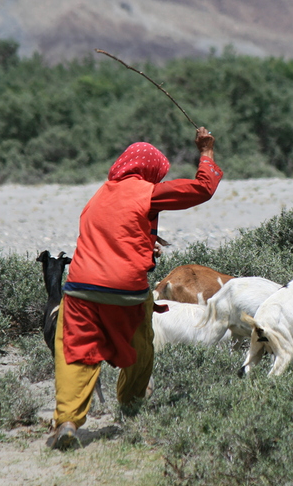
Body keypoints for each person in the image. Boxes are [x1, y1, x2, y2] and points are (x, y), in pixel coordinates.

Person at [49, 127, 222, 450]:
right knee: (140, 346)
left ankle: (68, 422)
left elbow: (113, 234)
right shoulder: (146, 191)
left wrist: (146, 243)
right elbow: (203, 187)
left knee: (75, 353)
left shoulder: (98, 195)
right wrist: (207, 151)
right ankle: (131, 405)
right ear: (148, 172)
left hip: (79, 290)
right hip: (125, 291)